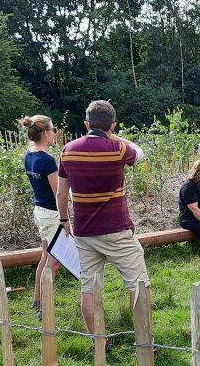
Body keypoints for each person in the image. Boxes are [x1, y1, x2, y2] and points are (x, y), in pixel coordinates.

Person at [57, 100, 149, 346]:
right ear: (113, 125)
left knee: (89, 288)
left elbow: (62, 192)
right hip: (116, 229)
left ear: (86, 124)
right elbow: (139, 153)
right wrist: (116, 136)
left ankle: (98, 341)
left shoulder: (68, 149)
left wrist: (64, 219)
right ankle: (144, 341)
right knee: (138, 285)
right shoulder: (117, 148)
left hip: (85, 231)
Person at [21, 114, 61, 317]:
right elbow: (58, 193)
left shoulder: (29, 155)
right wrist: (67, 218)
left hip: (40, 211)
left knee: (45, 256)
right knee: (54, 263)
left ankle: (37, 299)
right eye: (53, 130)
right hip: (52, 214)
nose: (55, 133)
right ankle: (45, 308)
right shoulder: (47, 161)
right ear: (45, 133)